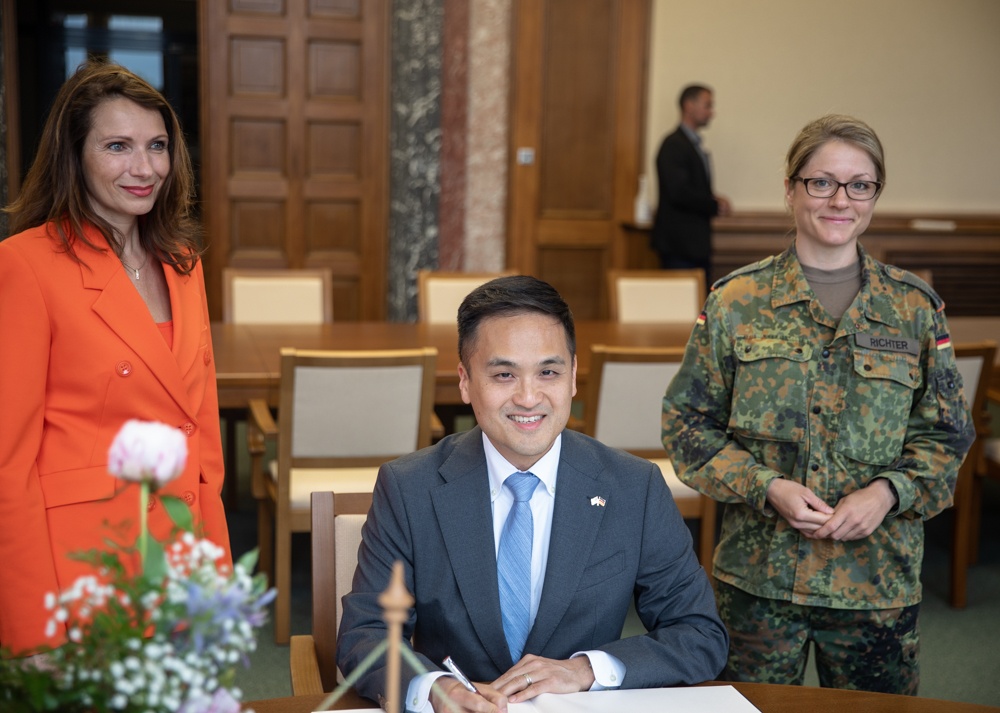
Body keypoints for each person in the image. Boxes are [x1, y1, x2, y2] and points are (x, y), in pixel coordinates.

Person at [662, 114, 975, 694]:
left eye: (860, 185)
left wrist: (888, 493)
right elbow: (688, 426)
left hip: (875, 584)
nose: (841, 200)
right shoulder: (736, 302)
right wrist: (765, 485)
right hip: (760, 582)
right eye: (822, 182)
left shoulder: (914, 308)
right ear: (790, 189)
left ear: (875, 196)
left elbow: (948, 436)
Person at [338, 275, 728, 712]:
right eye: (504, 374)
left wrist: (584, 670)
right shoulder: (409, 487)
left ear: (574, 376)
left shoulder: (633, 487)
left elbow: (699, 634)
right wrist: (432, 689)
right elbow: (367, 633)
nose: (528, 397)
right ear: (465, 382)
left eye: (548, 372)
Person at [0, 59, 231, 657]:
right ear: (74, 156)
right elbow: (8, 462)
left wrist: (216, 575)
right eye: (117, 146)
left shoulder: (183, 263)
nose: (145, 167)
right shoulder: (27, 265)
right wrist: (35, 629)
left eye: (157, 146)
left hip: (181, 558)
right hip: (86, 564)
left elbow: (202, 439)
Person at [651, 84, 731, 283]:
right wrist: (714, 205)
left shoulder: (691, 145)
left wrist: (712, 198)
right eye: (707, 105)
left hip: (693, 245)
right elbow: (679, 192)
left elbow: (691, 187)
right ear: (689, 106)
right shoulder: (674, 145)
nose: (711, 113)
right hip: (680, 246)